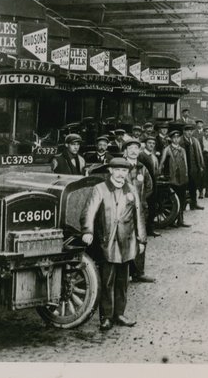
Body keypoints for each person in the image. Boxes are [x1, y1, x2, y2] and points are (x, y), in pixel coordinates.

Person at [80, 157, 146, 331]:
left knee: (123, 281)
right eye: (117, 170)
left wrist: (141, 239)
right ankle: (106, 317)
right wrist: (87, 231)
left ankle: (119, 314)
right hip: (107, 242)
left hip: (127, 243)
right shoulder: (100, 189)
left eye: (124, 171)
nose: (120, 174)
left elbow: (139, 215)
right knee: (106, 281)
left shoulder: (131, 189)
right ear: (110, 171)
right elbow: (88, 212)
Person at [122, 137, 155, 284]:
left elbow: (149, 186)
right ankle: (125, 272)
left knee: (141, 238)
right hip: (124, 211)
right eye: (130, 149)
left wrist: (140, 201)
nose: (134, 151)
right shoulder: (121, 168)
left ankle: (139, 273)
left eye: (136, 148)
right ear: (125, 151)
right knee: (124, 238)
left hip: (140, 210)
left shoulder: (142, 168)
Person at [158, 125, 191, 228]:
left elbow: (186, 164)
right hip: (172, 178)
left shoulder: (182, 150)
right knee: (173, 200)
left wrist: (186, 176)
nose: (176, 139)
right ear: (171, 139)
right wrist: (159, 173)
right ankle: (172, 220)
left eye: (178, 137)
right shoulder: (167, 149)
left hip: (182, 178)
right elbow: (161, 163)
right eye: (174, 138)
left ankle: (180, 220)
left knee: (182, 199)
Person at [138, 137, 162, 237]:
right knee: (143, 207)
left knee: (152, 207)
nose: (151, 145)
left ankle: (150, 229)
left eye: (153, 143)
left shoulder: (154, 157)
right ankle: (142, 230)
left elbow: (156, 171)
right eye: (149, 143)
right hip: (144, 185)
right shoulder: (141, 156)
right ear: (145, 144)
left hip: (153, 184)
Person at [182, 124, 206, 209]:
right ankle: (183, 205)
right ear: (184, 131)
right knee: (184, 187)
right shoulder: (180, 141)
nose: (189, 133)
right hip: (184, 168)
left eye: (191, 131)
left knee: (194, 186)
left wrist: (200, 166)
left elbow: (199, 154)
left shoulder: (195, 140)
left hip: (194, 168)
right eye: (188, 131)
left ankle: (193, 204)